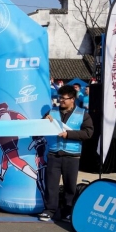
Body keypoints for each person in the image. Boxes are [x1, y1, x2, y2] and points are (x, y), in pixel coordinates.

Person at [39, 85, 94, 222]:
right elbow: (41, 128)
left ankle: (67, 212)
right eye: (60, 98)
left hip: (72, 155)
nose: (61, 101)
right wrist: (44, 121)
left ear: (73, 99)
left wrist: (68, 134)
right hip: (54, 154)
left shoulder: (83, 114)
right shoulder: (51, 112)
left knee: (70, 186)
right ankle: (49, 210)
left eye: (64, 98)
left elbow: (88, 133)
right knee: (51, 185)